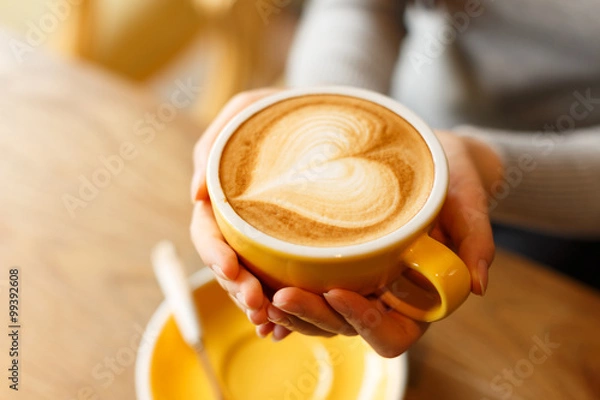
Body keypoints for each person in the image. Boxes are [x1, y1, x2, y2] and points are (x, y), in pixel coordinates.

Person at [190, 0, 600, 358]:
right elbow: (357, 5)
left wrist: (490, 164)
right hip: (399, 120)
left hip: (571, 219)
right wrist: (330, 107)